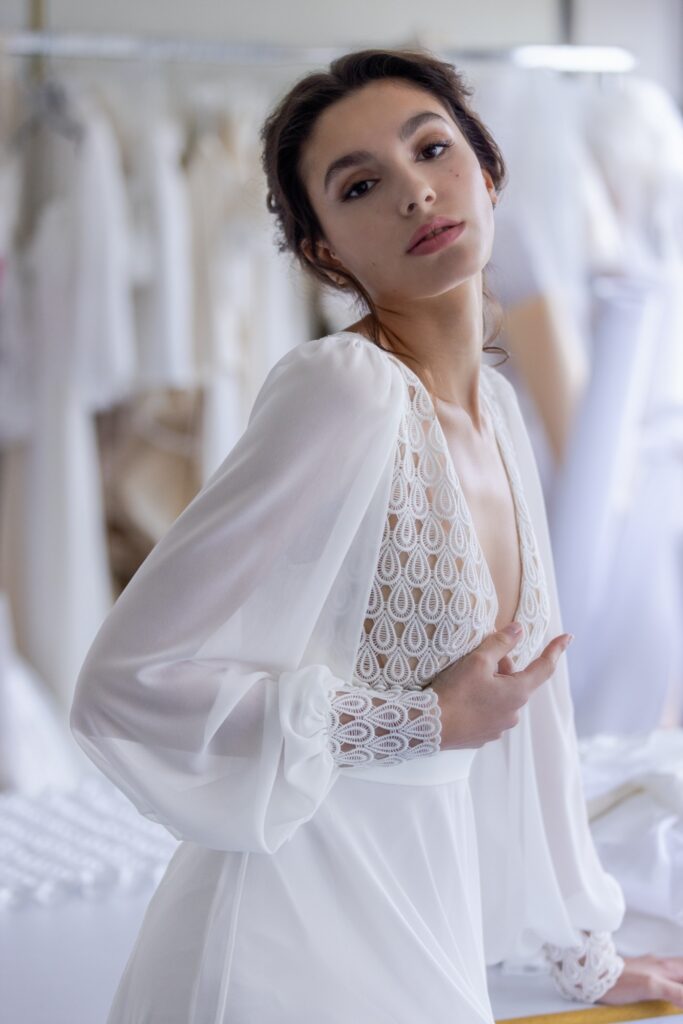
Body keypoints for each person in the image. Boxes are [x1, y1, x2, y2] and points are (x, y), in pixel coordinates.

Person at [69, 47, 683, 1023]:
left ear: (486, 174)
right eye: (360, 185)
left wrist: (582, 950)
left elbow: (535, 722)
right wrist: (420, 723)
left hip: (421, 903)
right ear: (323, 252)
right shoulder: (343, 391)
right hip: (291, 930)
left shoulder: (501, 414)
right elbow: (127, 680)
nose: (413, 192)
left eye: (431, 149)